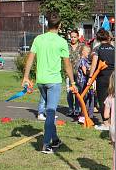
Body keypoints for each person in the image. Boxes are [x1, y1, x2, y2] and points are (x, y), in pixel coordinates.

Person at [20, 11, 77, 154]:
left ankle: (55, 139)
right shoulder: (62, 42)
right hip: (54, 82)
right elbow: (67, 64)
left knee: (48, 110)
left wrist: (26, 77)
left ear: (47, 24)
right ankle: (46, 144)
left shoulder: (39, 39)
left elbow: (30, 58)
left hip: (41, 81)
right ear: (60, 25)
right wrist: (73, 81)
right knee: (51, 112)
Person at [90, 28, 116, 130]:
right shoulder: (114, 48)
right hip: (114, 76)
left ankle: (106, 123)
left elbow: (94, 64)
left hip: (102, 77)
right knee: (113, 99)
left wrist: (90, 77)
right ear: (108, 37)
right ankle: (113, 121)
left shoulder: (97, 49)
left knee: (102, 99)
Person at [67, 30, 90, 120]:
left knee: (78, 91)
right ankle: (70, 109)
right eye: (71, 37)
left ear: (78, 37)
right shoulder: (67, 46)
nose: (73, 39)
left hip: (79, 73)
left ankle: (77, 109)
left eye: (74, 37)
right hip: (69, 72)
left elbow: (86, 56)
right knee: (69, 91)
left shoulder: (81, 46)